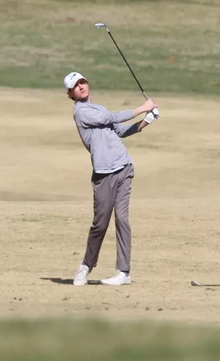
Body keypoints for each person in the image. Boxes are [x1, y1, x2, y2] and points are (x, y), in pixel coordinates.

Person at [64, 71, 158, 286]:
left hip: (124, 168)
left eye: (82, 82)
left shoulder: (98, 108)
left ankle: (123, 272)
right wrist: (141, 108)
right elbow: (110, 118)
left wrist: (147, 120)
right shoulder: (80, 112)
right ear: (70, 93)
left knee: (123, 220)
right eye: (75, 86)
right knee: (100, 224)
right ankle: (85, 266)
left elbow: (121, 130)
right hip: (103, 174)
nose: (81, 86)